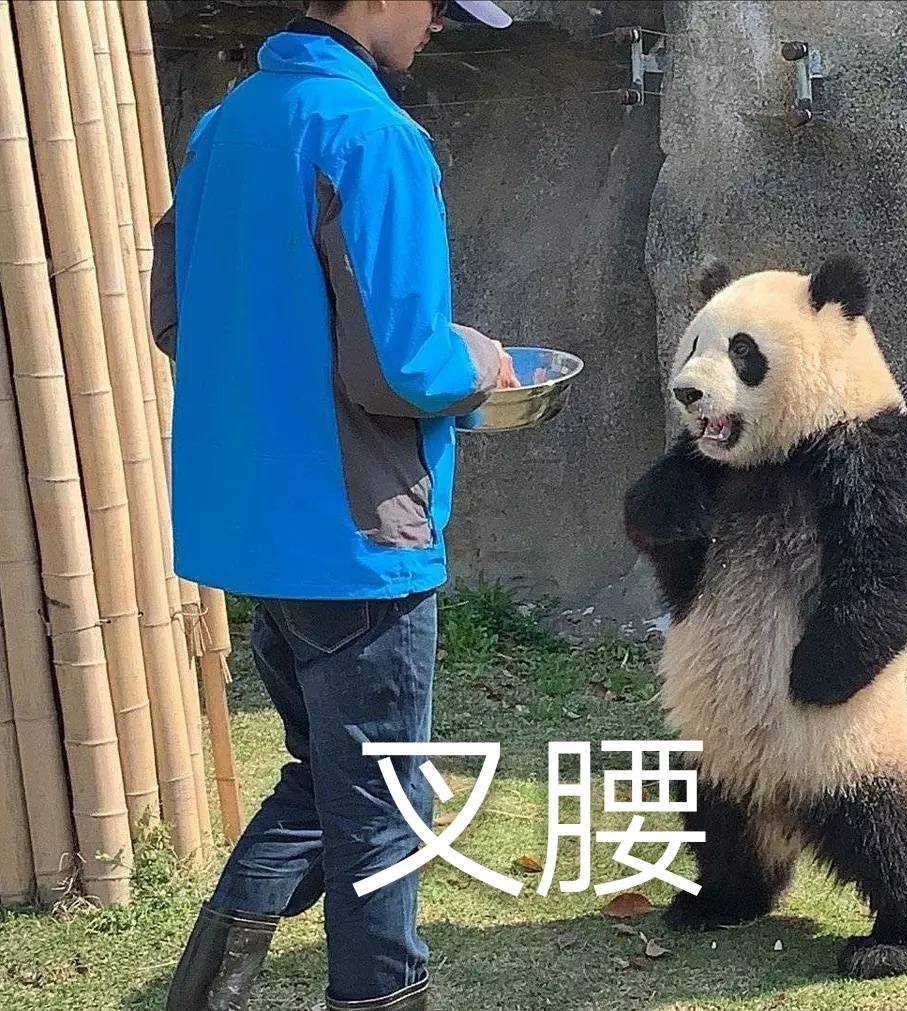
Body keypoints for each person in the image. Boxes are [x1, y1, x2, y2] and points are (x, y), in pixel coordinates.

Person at [150, 2, 517, 1009]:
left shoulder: (226, 126)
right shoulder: (372, 136)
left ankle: (205, 992)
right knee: (382, 807)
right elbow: (405, 364)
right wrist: (483, 360)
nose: (439, 24)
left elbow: (178, 318)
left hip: (257, 527)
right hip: (356, 539)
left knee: (325, 780)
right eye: (437, 4)